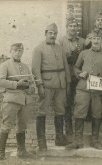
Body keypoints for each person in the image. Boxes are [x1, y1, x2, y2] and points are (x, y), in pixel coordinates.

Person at [66, 31, 102, 150]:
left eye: (98, 39)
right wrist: (80, 73)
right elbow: (75, 67)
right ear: (91, 40)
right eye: (94, 39)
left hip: (98, 90)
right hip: (83, 88)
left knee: (97, 115)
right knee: (79, 114)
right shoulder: (84, 53)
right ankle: (78, 141)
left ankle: (94, 141)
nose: (96, 41)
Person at [32, 23, 71, 152]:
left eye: (55, 33)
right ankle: (41, 141)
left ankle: (59, 138)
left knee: (60, 110)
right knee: (42, 111)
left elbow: (65, 66)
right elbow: (35, 69)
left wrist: (68, 82)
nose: (53, 35)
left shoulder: (60, 48)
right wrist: (40, 85)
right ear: (45, 33)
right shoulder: (39, 48)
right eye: (50, 33)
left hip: (60, 85)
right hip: (47, 85)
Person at [0, 43, 35, 160]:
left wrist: (30, 88)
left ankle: (21, 151)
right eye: (16, 50)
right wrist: (17, 84)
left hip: (25, 101)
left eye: (20, 51)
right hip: (11, 99)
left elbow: (32, 82)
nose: (18, 53)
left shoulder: (26, 66)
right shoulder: (5, 65)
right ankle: (0, 152)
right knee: (6, 125)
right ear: (11, 52)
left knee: (22, 126)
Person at [58, 17, 85, 143]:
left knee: (79, 102)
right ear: (67, 27)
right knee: (67, 103)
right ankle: (69, 132)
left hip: (79, 75)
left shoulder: (82, 41)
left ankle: (78, 135)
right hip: (66, 75)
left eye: (75, 26)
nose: (73, 28)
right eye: (70, 26)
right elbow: (58, 59)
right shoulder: (61, 41)